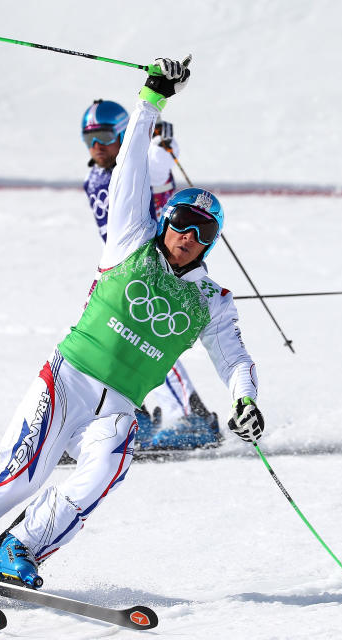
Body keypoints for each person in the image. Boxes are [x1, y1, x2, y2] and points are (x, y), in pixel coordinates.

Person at [0, 57, 265, 601]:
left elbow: (235, 361)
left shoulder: (212, 301)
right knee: (22, 476)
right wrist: (151, 100)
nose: (185, 233)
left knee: (103, 473)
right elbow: (130, 164)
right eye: (179, 220)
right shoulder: (130, 241)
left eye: (200, 229)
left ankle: (16, 550)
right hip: (68, 380)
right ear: (164, 220)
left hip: (118, 406)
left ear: (211, 241)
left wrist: (245, 399)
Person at [81, 99, 219, 450]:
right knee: (114, 343)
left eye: (105, 137)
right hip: (129, 272)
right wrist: (159, 148)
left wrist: (159, 148)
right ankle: (134, 414)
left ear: (124, 134)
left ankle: (195, 417)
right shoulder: (98, 177)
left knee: (148, 340)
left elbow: (156, 174)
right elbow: (148, 174)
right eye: (89, 140)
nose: (97, 147)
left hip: (165, 269)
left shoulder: (137, 166)